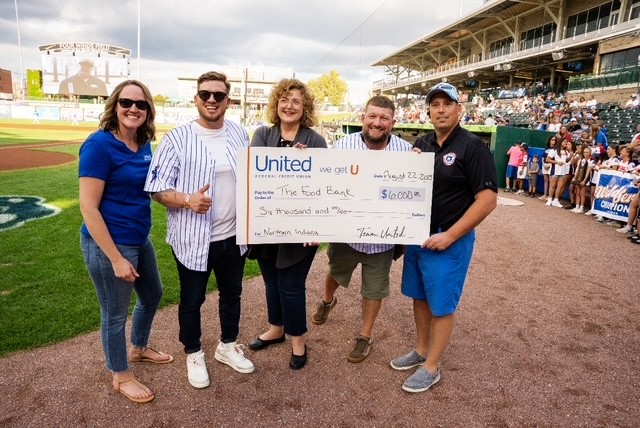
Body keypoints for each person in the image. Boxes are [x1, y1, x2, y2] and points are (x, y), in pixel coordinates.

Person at [144, 71, 254, 389]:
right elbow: (156, 188)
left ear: (227, 101)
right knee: (192, 300)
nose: (211, 100)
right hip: (194, 238)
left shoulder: (238, 133)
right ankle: (193, 352)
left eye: (218, 95)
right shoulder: (177, 138)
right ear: (196, 98)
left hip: (233, 235)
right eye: (205, 94)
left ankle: (227, 345)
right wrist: (187, 200)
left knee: (232, 293)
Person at [390, 83, 497, 393]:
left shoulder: (472, 146)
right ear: (428, 111)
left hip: (448, 238)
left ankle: (432, 366)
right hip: (417, 236)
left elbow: (488, 199)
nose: (440, 109)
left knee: (441, 305)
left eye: (447, 104)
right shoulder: (421, 144)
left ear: (459, 109)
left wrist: (450, 235)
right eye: (434, 104)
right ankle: (421, 350)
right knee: (419, 297)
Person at [79, 80, 173, 404]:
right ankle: (120, 374)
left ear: (148, 111)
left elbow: (151, 189)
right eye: (126, 102)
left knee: (153, 294)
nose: (133, 109)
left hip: (138, 238)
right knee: (114, 313)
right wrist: (117, 258)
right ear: (115, 106)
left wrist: (185, 200)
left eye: (141, 104)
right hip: (109, 244)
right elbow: (88, 208)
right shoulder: (98, 145)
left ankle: (139, 347)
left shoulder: (144, 143)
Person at [311, 95, 413, 364]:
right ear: (363, 118)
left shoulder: (406, 151)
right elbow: (324, 179)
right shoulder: (345, 144)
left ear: (393, 122)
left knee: (374, 288)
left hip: (382, 237)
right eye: (372, 116)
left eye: (383, 118)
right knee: (335, 271)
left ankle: (365, 335)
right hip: (347, 232)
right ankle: (327, 299)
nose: (377, 123)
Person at [246, 78, 327, 370]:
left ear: (304, 107)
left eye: (296, 101)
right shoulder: (262, 134)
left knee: (292, 285)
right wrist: (287, 161)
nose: (289, 106)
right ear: (276, 104)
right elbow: (254, 174)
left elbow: (324, 186)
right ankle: (276, 328)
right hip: (267, 225)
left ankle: (297, 338)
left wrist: (304, 165)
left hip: (299, 229)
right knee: (271, 282)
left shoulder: (315, 140)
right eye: (284, 100)